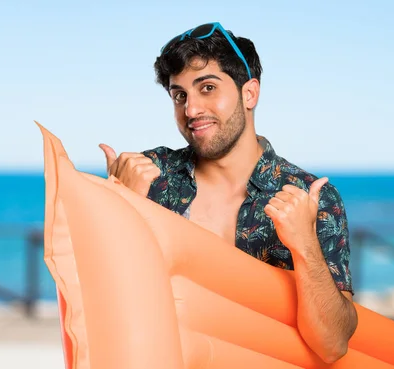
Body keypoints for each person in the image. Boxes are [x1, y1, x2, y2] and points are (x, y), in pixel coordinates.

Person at [99, 22, 358, 363]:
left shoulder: (308, 197)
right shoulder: (149, 177)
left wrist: (305, 246)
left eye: (207, 87)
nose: (191, 110)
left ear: (249, 93)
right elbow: (102, 305)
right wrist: (123, 208)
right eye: (180, 95)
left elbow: (332, 344)